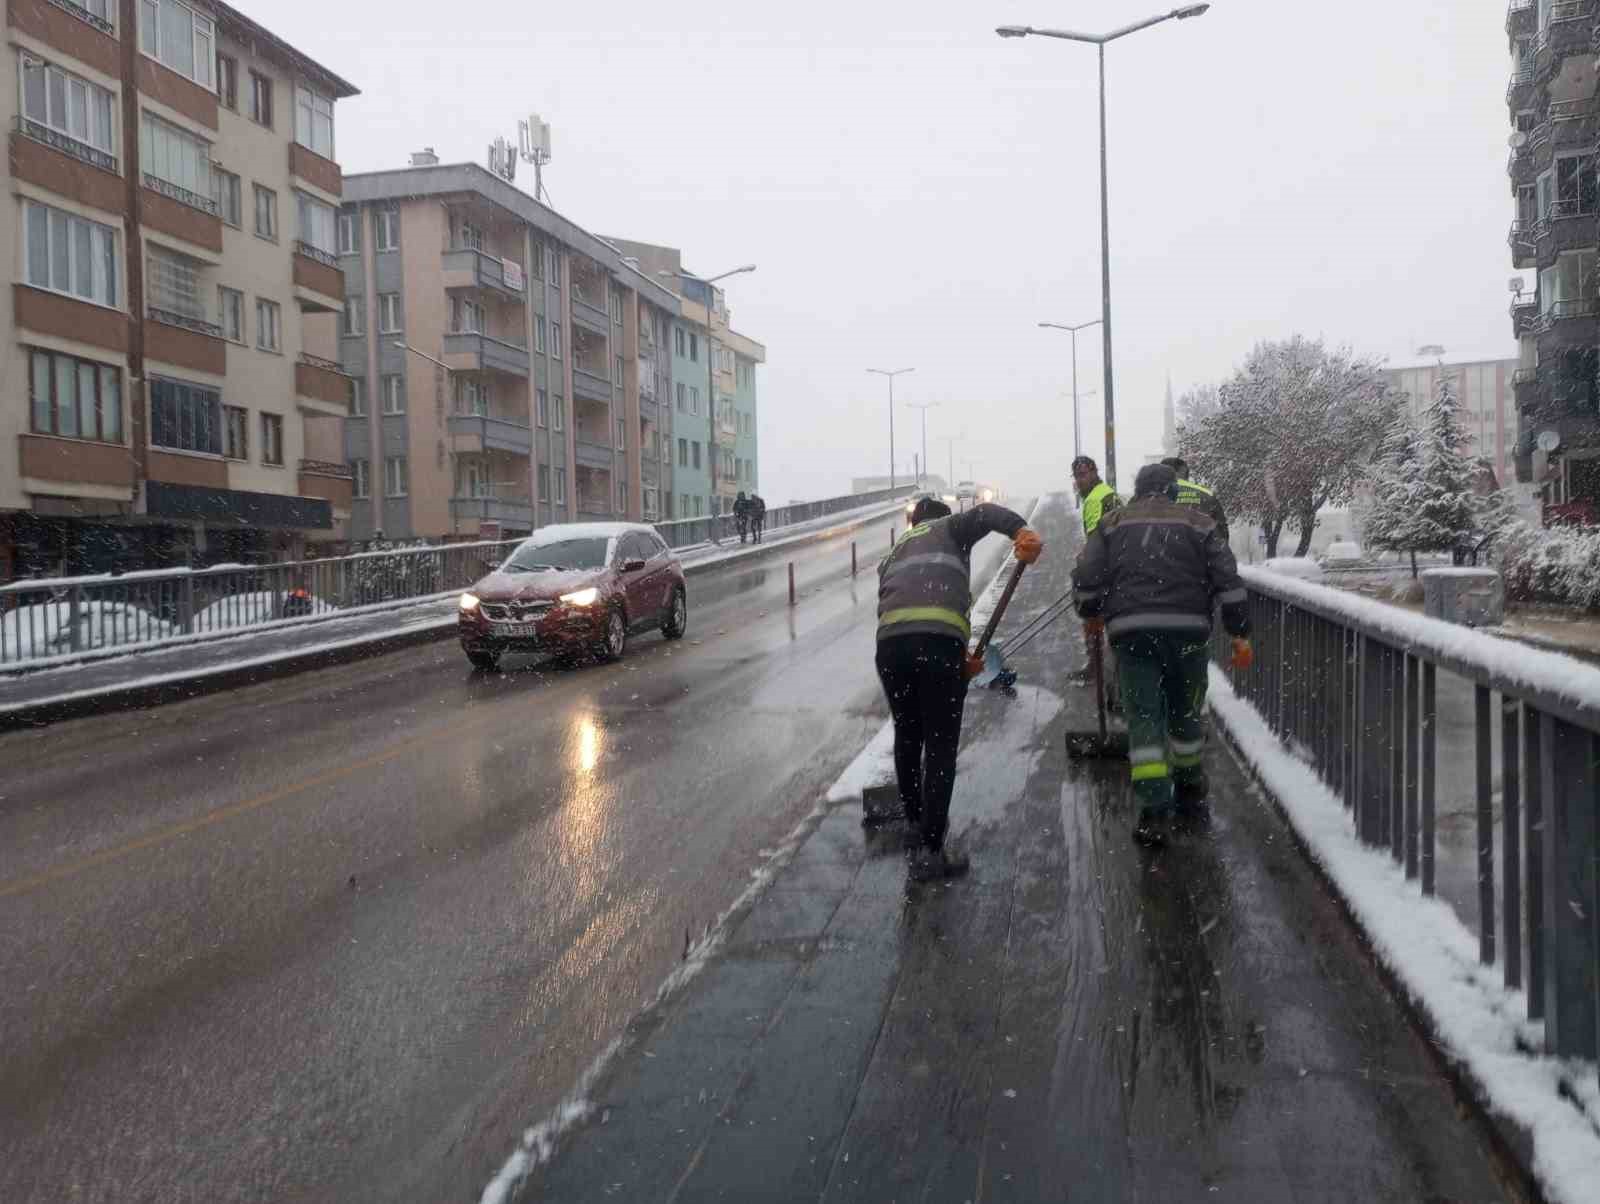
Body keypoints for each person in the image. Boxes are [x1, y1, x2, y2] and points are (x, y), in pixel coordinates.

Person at [1071, 463, 1253, 847]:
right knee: (1185, 708)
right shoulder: (1200, 523)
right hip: (1188, 632)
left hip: (1133, 633)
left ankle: (1155, 811)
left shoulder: (1112, 523)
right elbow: (1229, 579)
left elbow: (1087, 574)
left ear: (1137, 491)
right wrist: (1239, 632)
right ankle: (1190, 793)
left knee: (1144, 715)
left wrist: (1090, 610)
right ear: (1171, 490)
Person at [876, 496, 1043, 880]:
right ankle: (933, 850)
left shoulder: (897, 549)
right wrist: (1021, 529)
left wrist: (958, 655)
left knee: (908, 734)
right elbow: (986, 514)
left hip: (890, 648)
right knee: (939, 743)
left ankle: (917, 825)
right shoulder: (949, 527)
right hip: (937, 646)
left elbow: (899, 602)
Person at [1160, 456, 1230, 543]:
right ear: (1184, 472)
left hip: (1163, 554)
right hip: (1201, 553)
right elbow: (1222, 532)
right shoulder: (1206, 494)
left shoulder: (1153, 495)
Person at [1071, 455, 1120, 537]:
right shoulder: (1108, 491)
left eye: (1082, 474)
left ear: (1094, 473)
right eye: (1076, 476)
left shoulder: (1093, 500)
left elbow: (1094, 540)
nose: (1079, 480)